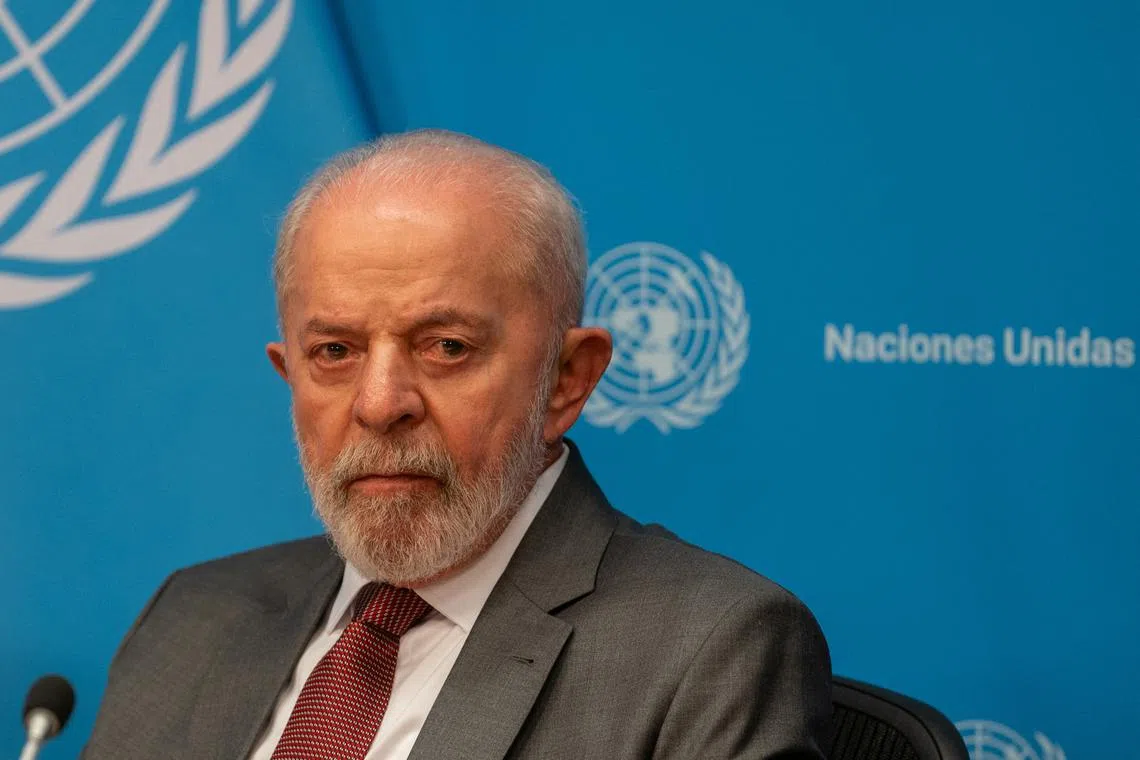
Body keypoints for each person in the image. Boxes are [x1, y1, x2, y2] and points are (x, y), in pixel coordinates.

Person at [82, 130, 832, 760]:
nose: (380, 405)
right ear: (290, 375)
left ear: (566, 379)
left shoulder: (709, 649)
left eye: (445, 346)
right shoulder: (193, 617)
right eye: (335, 352)